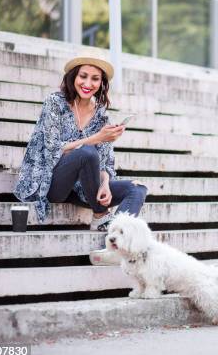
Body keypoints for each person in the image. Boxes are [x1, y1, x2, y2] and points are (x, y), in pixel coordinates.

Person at [13, 51, 148, 233]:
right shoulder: (55, 103)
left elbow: (106, 163)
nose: (87, 84)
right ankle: (100, 214)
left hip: (83, 188)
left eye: (95, 79)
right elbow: (52, 150)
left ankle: (115, 236)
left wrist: (105, 184)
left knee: (137, 189)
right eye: (83, 76)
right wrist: (97, 138)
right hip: (52, 183)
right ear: (73, 76)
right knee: (87, 152)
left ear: (101, 83)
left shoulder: (101, 115)